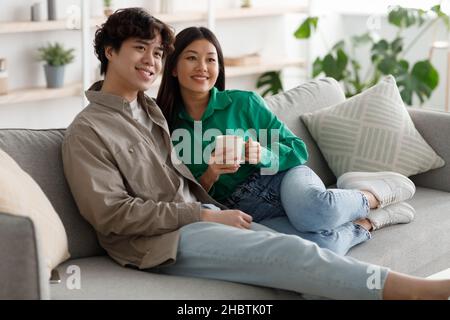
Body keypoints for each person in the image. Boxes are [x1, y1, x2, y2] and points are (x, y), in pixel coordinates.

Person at [62, 7, 450, 300]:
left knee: (308, 244)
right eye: (139, 49)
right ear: (110, 51)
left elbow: (185, 184)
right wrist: (203, 208)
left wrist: (216, 199)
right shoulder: (88, 131)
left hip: (213, 213)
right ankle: (419, 291)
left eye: (158, 52)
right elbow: (112, 216)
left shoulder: (148, 112)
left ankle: (368, 204)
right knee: (294, 253)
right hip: (162, 241)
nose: (151, 60)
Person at [156, 26, 416, 256]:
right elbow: (184, 197)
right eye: (191, 58)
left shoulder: (242, 103)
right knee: (320, 249)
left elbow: (297, 149)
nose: (202, 67)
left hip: (282, 178)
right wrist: (211, 174)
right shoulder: (165, 126)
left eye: (210, 60)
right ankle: (369, 223)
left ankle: (372, 195)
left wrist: (262, 154)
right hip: (243, 207)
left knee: (314, 211)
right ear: (174, 68)